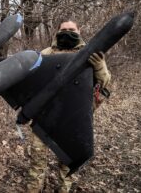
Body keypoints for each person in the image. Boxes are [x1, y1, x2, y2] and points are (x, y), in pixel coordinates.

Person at [26, 19, 111, 193]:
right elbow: (33, 81)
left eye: (72, 29)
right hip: (45, 116)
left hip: (73, 118)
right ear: (57, 32)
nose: (67, 32)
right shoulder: (46, 53)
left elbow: (105, 86)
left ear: (79, 31)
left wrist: (100, 66)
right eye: (63, 29)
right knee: (37, 161)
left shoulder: (91, 54)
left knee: (67, 164)